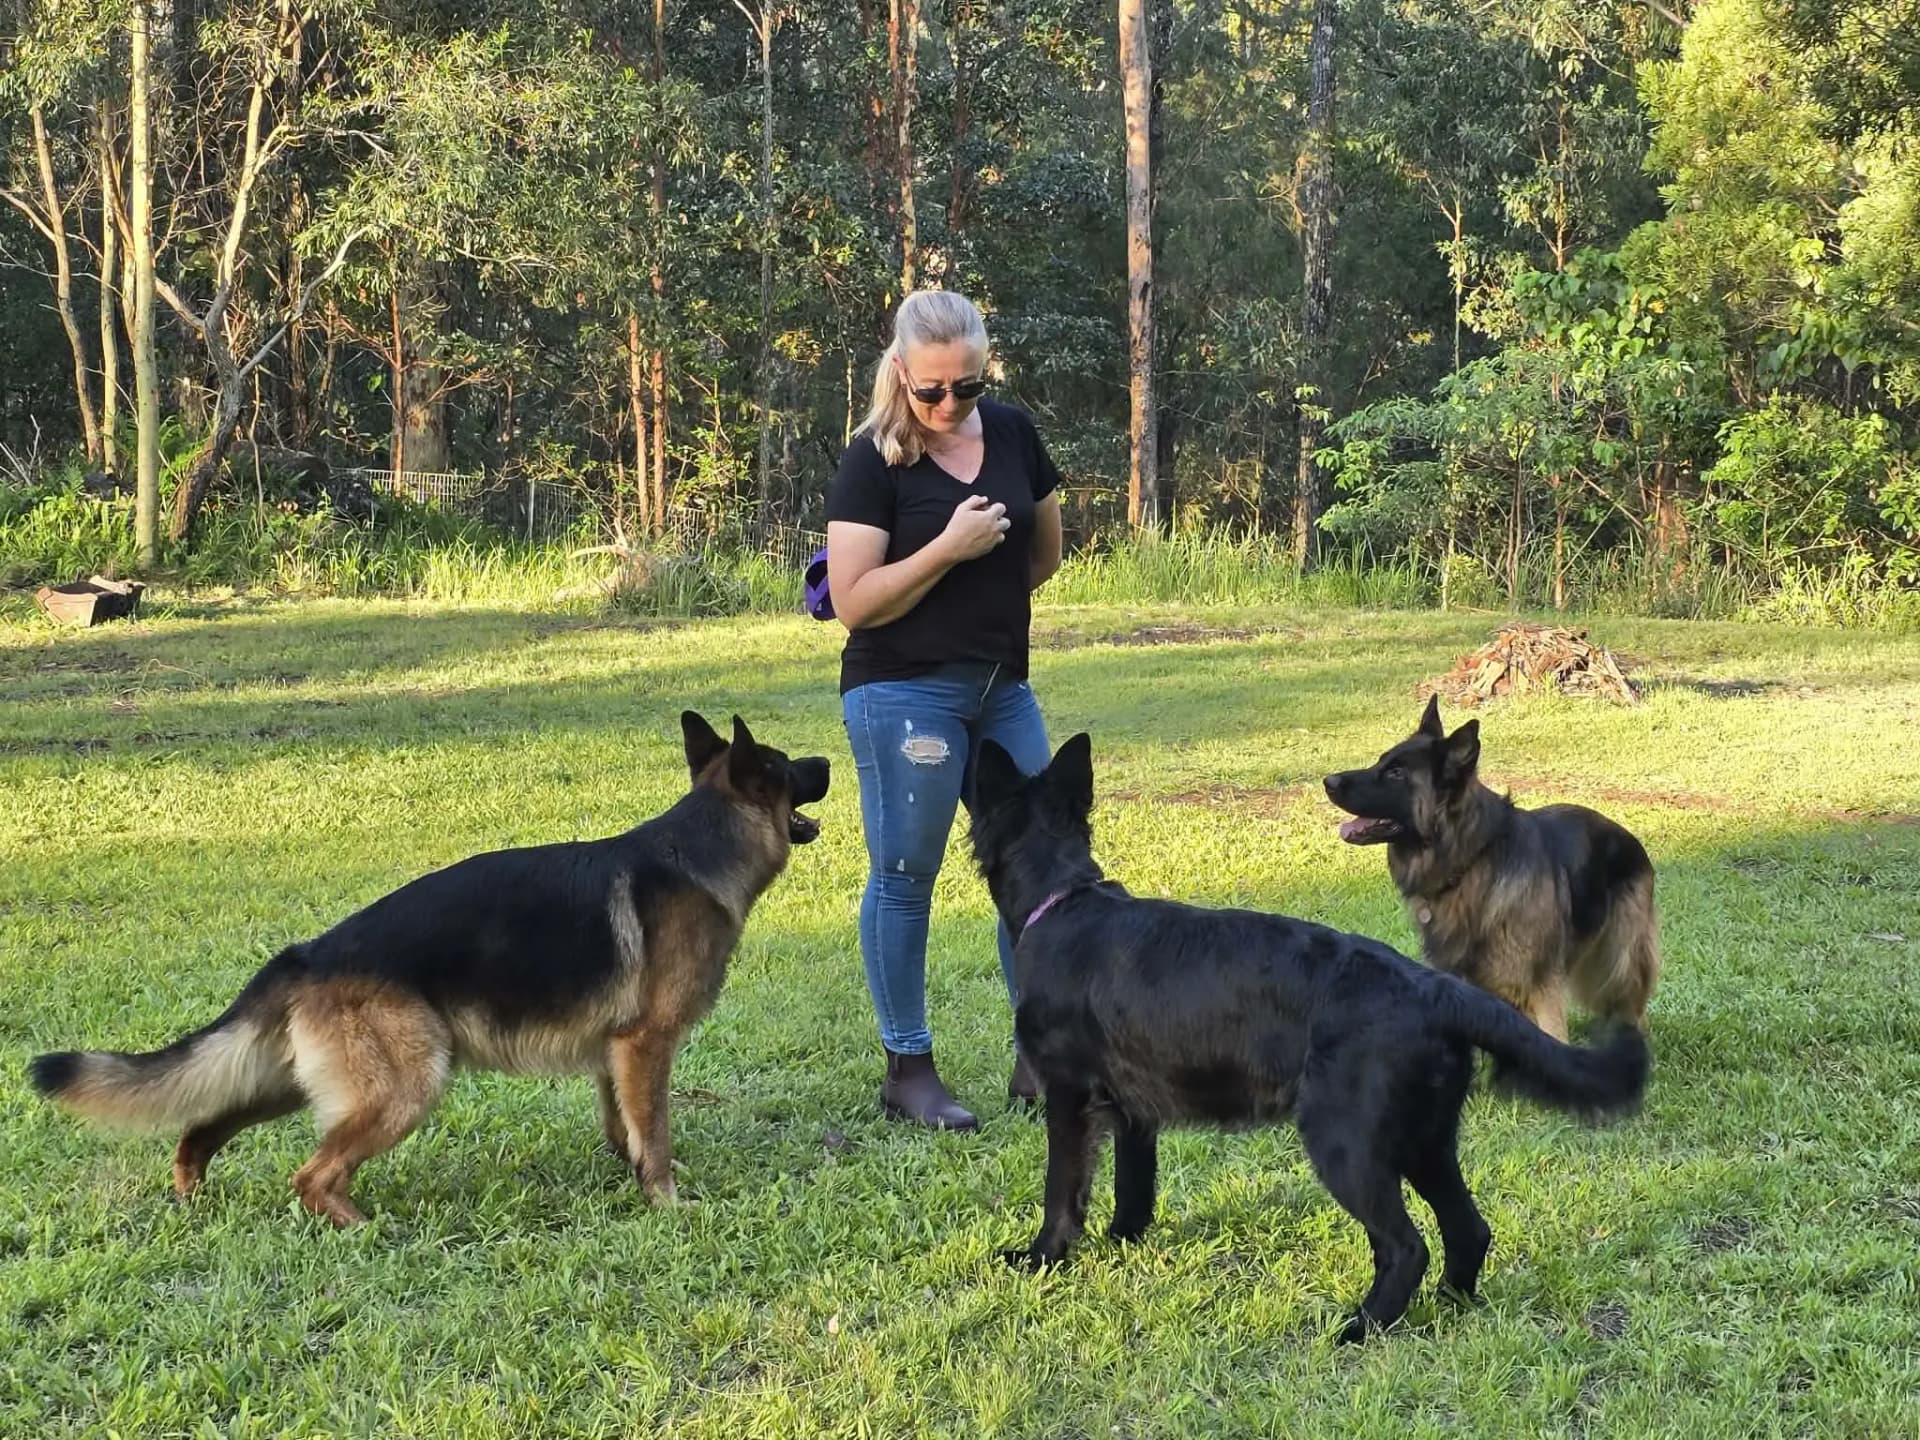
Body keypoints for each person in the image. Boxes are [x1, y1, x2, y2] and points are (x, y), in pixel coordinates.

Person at [826, 289, 1064, 1130]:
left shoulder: (1011, 433)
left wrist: (981, 610)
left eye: (967, 385)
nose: (949, 404)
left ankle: (1044, 1052)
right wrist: (947, 552)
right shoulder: (872, 461)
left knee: (1040, 863)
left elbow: (1044, 551)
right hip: (900, 688)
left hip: (1001, 686)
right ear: (899, 372)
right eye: (931, 389)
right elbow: (854, 600)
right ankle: (909, 1068)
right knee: (906, 872)